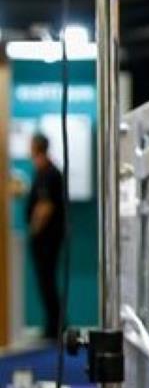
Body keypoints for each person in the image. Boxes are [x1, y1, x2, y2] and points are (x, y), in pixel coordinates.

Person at [26, 134, 66, 341]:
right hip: (46, 239)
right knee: (46, 283)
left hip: (47, 240)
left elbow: (45, 206)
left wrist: (34, 230)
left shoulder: (49, 174)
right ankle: (54, 324)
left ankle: (56, 327)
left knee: (47, 281)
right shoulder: (43, 172)